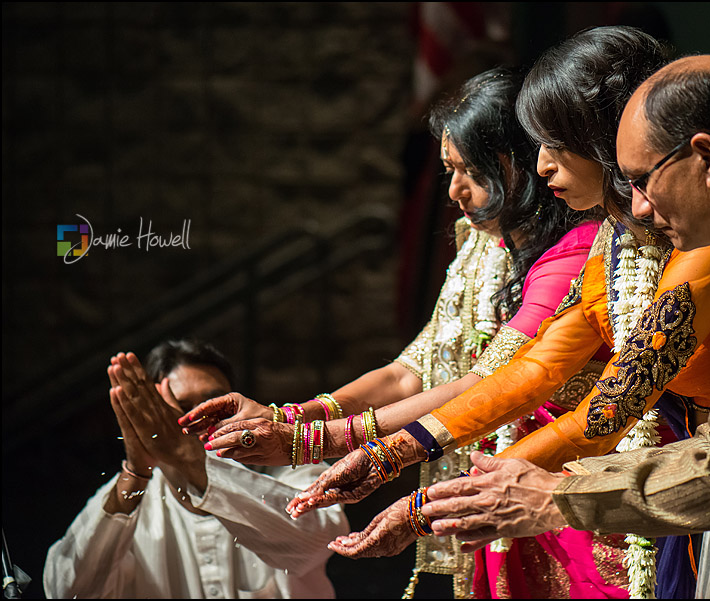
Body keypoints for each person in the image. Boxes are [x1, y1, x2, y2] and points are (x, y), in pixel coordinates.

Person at [418, 55, 710, 599]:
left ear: (708, 158)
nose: (639, 206)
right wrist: (387, 446)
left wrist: (554, 499)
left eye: (642, 181)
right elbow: (539, 364)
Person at [291, 27, 710, 599]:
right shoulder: (618, 244)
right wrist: (391, 455)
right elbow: (536, 370)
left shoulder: (706, 242)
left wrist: (428, 498)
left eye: (555, 144)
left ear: (608, 139)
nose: (543, 165)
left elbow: (605, 407)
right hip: (683, 485)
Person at [179, 67, 603, 598]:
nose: (454, 191)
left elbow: (491, 382)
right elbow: (411, 372)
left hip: (573, 497)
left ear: (518, 166)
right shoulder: (487, 243)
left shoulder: (578, 252)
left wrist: (312, 443)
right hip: (499, 488)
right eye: (450, 170)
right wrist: (291, 417)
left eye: (469, 170)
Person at [43, 340, 349, 599]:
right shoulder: (129, 496)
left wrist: (189, 461)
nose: (201, 420)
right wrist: (137, 470)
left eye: (214, 405)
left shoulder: (285, 468)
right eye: (184, 409)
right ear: (151, 417)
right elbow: (66, 590)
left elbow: (318, 542)